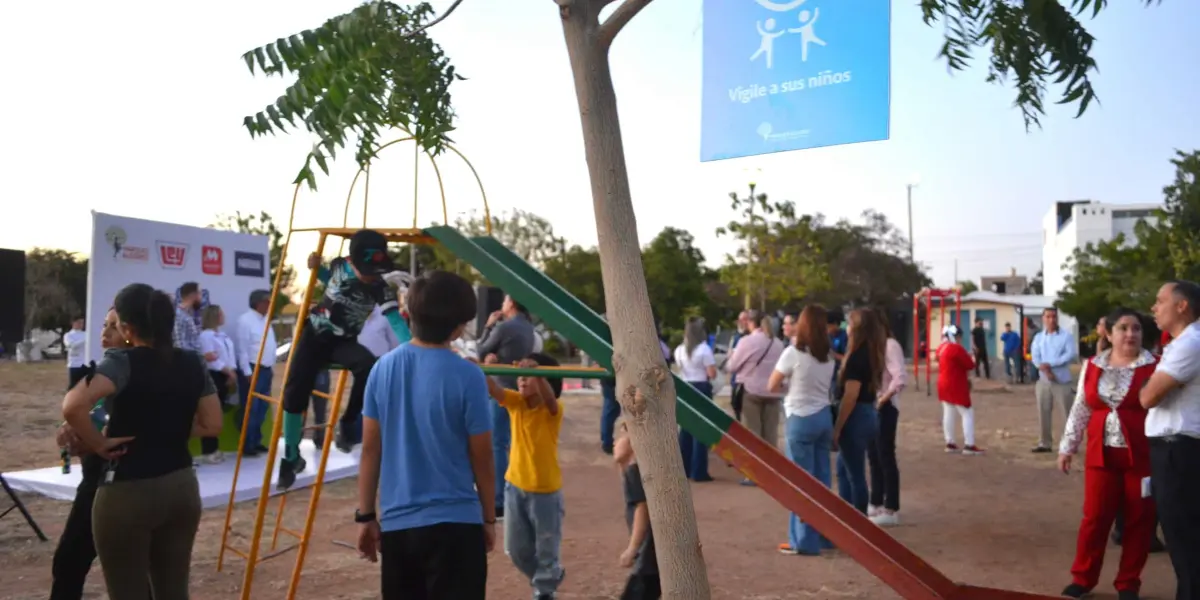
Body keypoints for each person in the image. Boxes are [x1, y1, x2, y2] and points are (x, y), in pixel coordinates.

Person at [61, 283, 223, 600]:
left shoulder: (121, 362)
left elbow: (72, 406)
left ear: (128, 328)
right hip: (181, 488)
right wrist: (168, 428)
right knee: (173, 591)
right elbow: (212, 424)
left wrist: (98, 443)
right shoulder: (192, 362)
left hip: (127, 491)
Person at [354, 270, 495, 600]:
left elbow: (370, 451)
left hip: (399, 528)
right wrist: (488, 518)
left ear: (408, 314)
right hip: (457, 526)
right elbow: (483, 457)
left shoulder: (381, 370)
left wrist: (366, 516)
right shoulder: (469, 376)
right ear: (459, 325)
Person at [278, 230, 413, 490]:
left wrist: (416, 348)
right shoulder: (340, 265)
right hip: (314, 334)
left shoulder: (380, 288)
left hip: (343, 342)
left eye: (377, 270)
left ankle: (349, 423)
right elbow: (332, 282)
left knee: (368, 366)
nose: (372, 275)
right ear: (352, 261)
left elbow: (396, 322)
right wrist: (316, 271)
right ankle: (291, 458)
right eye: (368, 270)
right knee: (295, 392)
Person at [51, 308, 152, 600]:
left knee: (133, 575)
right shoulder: (94, 375)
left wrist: (94, 441)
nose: (105, 333)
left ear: (132, 333)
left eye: (114, 327)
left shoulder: (141, 380)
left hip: (124, 487)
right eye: (104, 326)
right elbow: (74, 421)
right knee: (68, 563)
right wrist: (67, 433)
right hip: (93, 483)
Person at [1057, 307, 1158, 600]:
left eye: (1136, 328)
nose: (1130, 334)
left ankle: (1128, 583)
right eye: (1123, 328)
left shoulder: (1156, 366)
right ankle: (1083, 578)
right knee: (1094, 517)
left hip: (1141, 456)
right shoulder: (1092, 366)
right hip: (1100, 455)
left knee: (1139, 520)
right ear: (1109, 334)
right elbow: (1081, 407)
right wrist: (1067, 447)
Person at [484, 353, 565, 600]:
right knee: (515, 549)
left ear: (547, 380)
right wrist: (484, 367)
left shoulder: (553, 410)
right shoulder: (516, 403)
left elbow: (550, 399)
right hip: (515, 486)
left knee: (546, 549)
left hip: (545, 492)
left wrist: (538, 373)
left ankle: (544, 591)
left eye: (529, 376)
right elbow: (495, 391)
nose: (522, 380)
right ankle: (548, 578)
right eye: (520, 376)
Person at [1140, 280, 1200, 600]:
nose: (1154, 307)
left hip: (1179, 451)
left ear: (1182, 306)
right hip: (1177, 450)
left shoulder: (1191, 344)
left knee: (1185, 542)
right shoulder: (1181, 344)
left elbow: (1148, 397)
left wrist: (1148, 386)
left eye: (1160, 300)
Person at [769, 305, 835, 555]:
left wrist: (790, 387)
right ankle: (825, 535)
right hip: (823, 416)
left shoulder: (793, 353)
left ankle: (804, 541)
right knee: (821, 480)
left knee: (800, 483)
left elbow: (772, 384)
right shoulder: (828, 355)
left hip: (799, 416)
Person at [477, 294, 536, 518]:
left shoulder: (504, 327)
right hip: (520, 389)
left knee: (497, 444)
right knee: (516, 443)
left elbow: (481, 349)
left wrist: (488, 326)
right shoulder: (528, 328)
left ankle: (499, 498)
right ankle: (518, 493)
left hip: (501, 389)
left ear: (511, 303)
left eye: (504, 300)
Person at [832, 308, 884, 514]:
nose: (847, 327)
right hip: (868, 413)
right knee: (845, 470)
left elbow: (850, 395)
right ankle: (850, 515)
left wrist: (837, 428)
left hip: (856, 416)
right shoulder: (872, 353)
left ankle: (856, 518)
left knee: (853, 474)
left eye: (850, 323)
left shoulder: (856, 357)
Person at [725, 310, 784, 485]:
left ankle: (753, 474)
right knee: (770, 434)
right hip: (773, 392)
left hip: (751, 391)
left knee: (752, 435)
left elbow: (732, 366)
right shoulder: (778, 343)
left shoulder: (746, 341)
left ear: (751, 322)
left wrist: (731, 358)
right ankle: (771, 472)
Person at [868, 310, 906, 526]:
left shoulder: (890, 345)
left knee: (885, 455)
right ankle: (876, 501)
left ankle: (891, 507)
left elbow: (899, 377)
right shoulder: (875, 346)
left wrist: (884, 399)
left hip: (885, 406)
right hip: (874, 405)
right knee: (873, 455)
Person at [614, 421, 660, 599]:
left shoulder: (636, 470)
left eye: (622, 435)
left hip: (650, 556)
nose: (615, 441)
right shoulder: (642, 467)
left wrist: (632, 550)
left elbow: (642, 510)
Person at [234, 289, 277, 457]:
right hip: (253, 369)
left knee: (262, 408)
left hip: (266, 369)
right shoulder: (245, 321)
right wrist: (247, 371)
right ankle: (247, 444)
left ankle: (256, 441)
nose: (270, 305)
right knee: (251, 408)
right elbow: (242, 349)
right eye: (268, 301)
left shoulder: (266, 320)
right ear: (259, 303)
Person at [1031, 307, 1078, 453]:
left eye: (1054, 317)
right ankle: (1045, 442)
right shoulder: (1039, 337)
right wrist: (1043, 367)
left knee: (1066, 412)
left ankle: (1069, 444)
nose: (1051, 320)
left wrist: (1050, 365)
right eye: (1048, 317)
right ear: (1043, 319)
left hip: (1061, 380)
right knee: (1043, 412)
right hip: (1044, 380)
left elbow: (1070, 354)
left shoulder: (1066, 336)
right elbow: (1035, 356)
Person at [676, 317, 717, 482]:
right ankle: (699, 470)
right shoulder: (704, 349)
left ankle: (683, 467)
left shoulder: (679, 350)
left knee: (686, 428)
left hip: (685, 386)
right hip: (701, 387)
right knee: (701, 430)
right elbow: (711, 373)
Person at [197, 305, 235, 464]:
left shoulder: (222, 335)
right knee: (210, 414)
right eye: (220, 313)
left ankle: (214, 448)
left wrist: (231, 372)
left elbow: (226, 355)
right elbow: (212, 360)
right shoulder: (206, 336)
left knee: (218, 413)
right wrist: (228, 372)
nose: (223, 316)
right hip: (215, 376)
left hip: (225, 375)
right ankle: (208, 451)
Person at [937, 325, 983, 454]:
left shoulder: (942, 348)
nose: (960, 339)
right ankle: (969, 444)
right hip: (955, 384)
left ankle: (950, 442)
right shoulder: (956, 349)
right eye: (959, 337)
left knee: (948, 412)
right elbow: (970, 364)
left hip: (943, 383)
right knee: (967, 412)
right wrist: (973, 355)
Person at [172, 282, 202, 352]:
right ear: (193, 295)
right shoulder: (178, 314)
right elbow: (178, 342)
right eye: (200, 293)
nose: (201, 298)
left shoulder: (189, 315)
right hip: (185, 359)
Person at [827, 311, 848, 402]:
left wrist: (834, 355)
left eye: (828, 326)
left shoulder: (844, 336)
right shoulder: (827, 336)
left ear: (835, 324)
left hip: (839, 376)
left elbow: (847, 358)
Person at [64, 316, 88, 390]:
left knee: (86, 386)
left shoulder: (86, 334)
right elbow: (71, 345)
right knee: (73, 386)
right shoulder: (68, 335)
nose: (81, 324)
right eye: (79, 322)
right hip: (74, 364)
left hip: (85, 364)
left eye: (82, 322)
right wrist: (85, 340)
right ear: (73, 323)